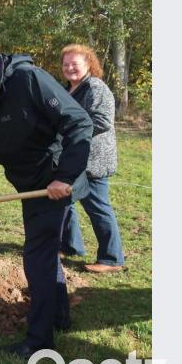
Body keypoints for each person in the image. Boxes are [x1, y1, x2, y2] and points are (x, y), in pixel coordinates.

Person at [0, 33, 93, 359]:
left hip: (53, 184)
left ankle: (39, 340)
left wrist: (65, 176)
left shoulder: (28, 80)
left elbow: (78, 122)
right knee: (44, 254)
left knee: (36, 258)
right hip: (29, 185)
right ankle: (58, 317)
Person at [58, 44, 126, 273]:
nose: (69, 68)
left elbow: (101, 121)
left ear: (88, 64)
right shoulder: (68, 89)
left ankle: (112, 258)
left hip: (94, 159)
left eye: (74, 64)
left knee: (97, 207)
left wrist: (69, 132)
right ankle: (70, 245)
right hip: (73, 157)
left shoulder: (95, 88)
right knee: (65, 201)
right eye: (66, 64)